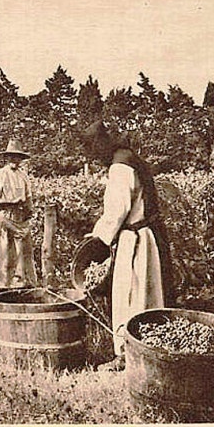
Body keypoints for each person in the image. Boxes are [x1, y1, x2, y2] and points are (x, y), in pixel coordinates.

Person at [80, 121, 171, 371]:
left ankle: (126, 354)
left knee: (129, 294)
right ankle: (152, 350)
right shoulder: (130, 159)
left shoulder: (120, 167)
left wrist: (97, 237)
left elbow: (117, 211)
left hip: (134, 240)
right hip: (146, 236)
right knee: (149, 293)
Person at [0, 139, 38, 293]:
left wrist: (29, 212)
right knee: (3, 254)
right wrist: (10, 202)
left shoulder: (24, 176)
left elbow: (28, 199)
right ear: (6, 158)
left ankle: (22, 287)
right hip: (5, 217)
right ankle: (0, 289)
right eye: (12, 157)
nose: (15, 160)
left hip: (20, 219)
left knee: (23, 254)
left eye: (17, 157)